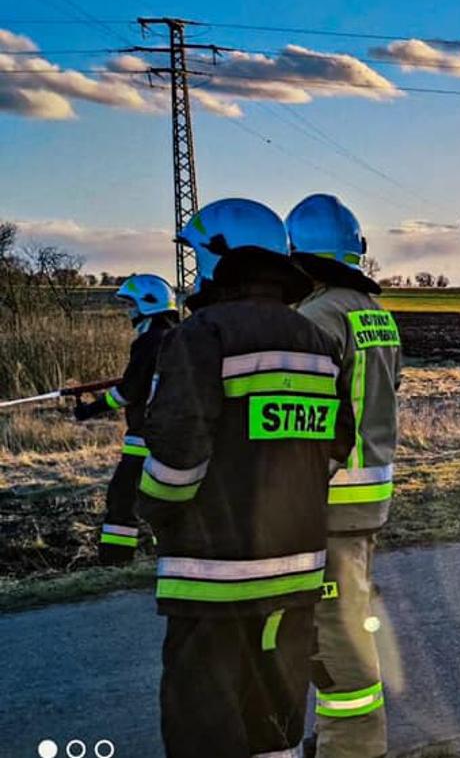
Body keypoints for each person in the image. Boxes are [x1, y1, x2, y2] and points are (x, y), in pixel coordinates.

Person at [138, 197, 354, 758]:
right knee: (275, 730)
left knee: (203, 729)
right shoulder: (317, 342)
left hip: (213, 580)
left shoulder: (202, 335)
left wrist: (153, 513)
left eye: (193, 254)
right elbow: (336, 447)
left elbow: (176, 457)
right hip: (296, 575)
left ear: (220, 256)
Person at [286, 193, 401, 757]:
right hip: (368, 500)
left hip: (328, 503)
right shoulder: (375, 314)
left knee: (337, 651)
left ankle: (349, 748)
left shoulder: (315, 317)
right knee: (349, 625)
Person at [71, 273, 179, 565]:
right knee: (165, 501)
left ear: (148, 304)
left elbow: (128, 393)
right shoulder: (180, 338)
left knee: (122, 500)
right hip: (176, 437)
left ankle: (114, 562)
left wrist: (90, 409)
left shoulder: (148, 342)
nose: (129, 312)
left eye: (132, 305)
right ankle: (168, 555)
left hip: (144, 437)